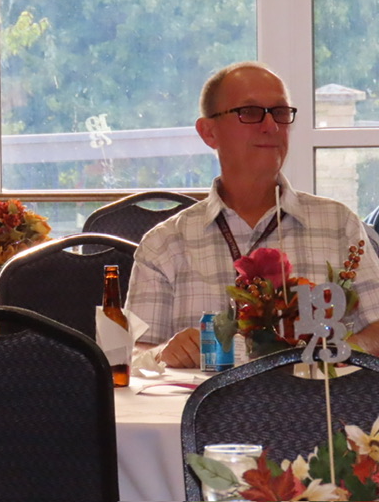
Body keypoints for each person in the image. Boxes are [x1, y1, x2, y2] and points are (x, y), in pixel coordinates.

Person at [126, 61, 379, 367]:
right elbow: (129, 356)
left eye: (280, 112)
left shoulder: (338, 224)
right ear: (208, 132)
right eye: (249, 112)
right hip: (205, 398)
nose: (271, 126)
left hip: (317, 396)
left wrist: (340, 351)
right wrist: (163, 352)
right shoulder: (165, 244)